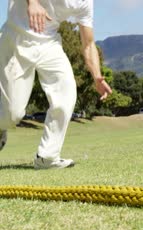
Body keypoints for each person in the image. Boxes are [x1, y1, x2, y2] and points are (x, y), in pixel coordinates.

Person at [0, 0, 112, 169]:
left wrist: (97, 76)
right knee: (12, 114)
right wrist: (33, 2)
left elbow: (88, 44)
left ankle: (47, 157)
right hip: (15, 37)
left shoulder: (85, 3)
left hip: (49, 44)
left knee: (66, 90)